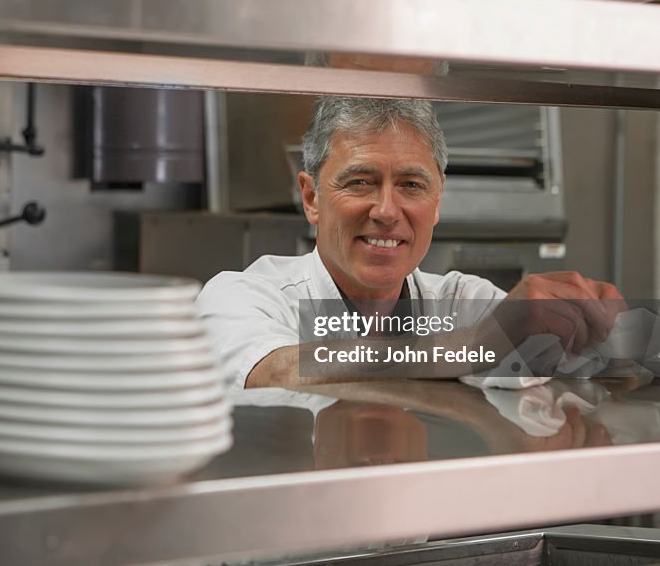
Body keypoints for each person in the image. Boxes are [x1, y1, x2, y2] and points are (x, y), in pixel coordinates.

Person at [195, 96, 626, 390]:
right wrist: (475, 344)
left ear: (437, 200)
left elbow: (581, 371)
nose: (386, 210)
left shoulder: (462, 304)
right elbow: (277, 370)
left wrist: (607, 334)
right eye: (360, 182)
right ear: (312, 198)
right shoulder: (244, 295)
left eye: (411, 185)